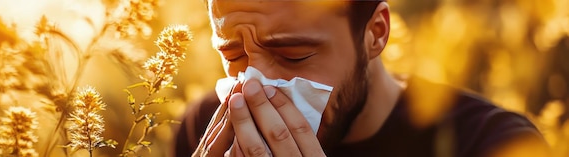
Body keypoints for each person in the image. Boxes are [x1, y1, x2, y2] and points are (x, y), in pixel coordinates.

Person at [173, 0, 549, 156]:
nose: (254, 84)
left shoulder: (490, 143)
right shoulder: (204, 130)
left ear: (376, 33)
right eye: (234, 55)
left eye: (294, 55)